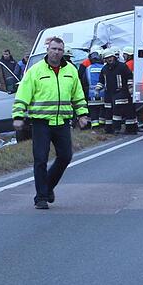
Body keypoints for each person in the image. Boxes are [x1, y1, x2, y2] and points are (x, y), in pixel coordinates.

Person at [12, 37, 88, 209]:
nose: (56, 52)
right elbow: (23, 93)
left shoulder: (71, 70)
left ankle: (47, 186)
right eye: (54, 49)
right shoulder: (35, 70)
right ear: (48, 49)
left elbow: (78, 94)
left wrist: (82, 114)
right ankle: (41, 197)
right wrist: (18, 116)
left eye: (60, 49)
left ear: (63, 51)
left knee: (66, 156)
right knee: (40, 159)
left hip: (62, 122)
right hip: (41, 122)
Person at [77, 51, 106, 130]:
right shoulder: (104, 67)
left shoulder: (88, 69)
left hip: (92, 94)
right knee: (103, 109)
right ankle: (102, 125)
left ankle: (95, 126)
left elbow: (84, 81)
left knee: (93, 110)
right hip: (104, 94)